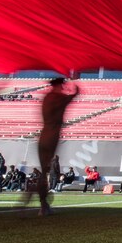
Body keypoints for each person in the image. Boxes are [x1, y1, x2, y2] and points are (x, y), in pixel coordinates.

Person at [31, 78, 79, 215]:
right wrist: (74, 85)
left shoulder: (47, 97)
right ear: (60, 85)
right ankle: (43, 205)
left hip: (43, 135)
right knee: (45, 171)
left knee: (43, 170)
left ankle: (43, 204)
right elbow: (73, 96)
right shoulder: (58, 98)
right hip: (52, 136)